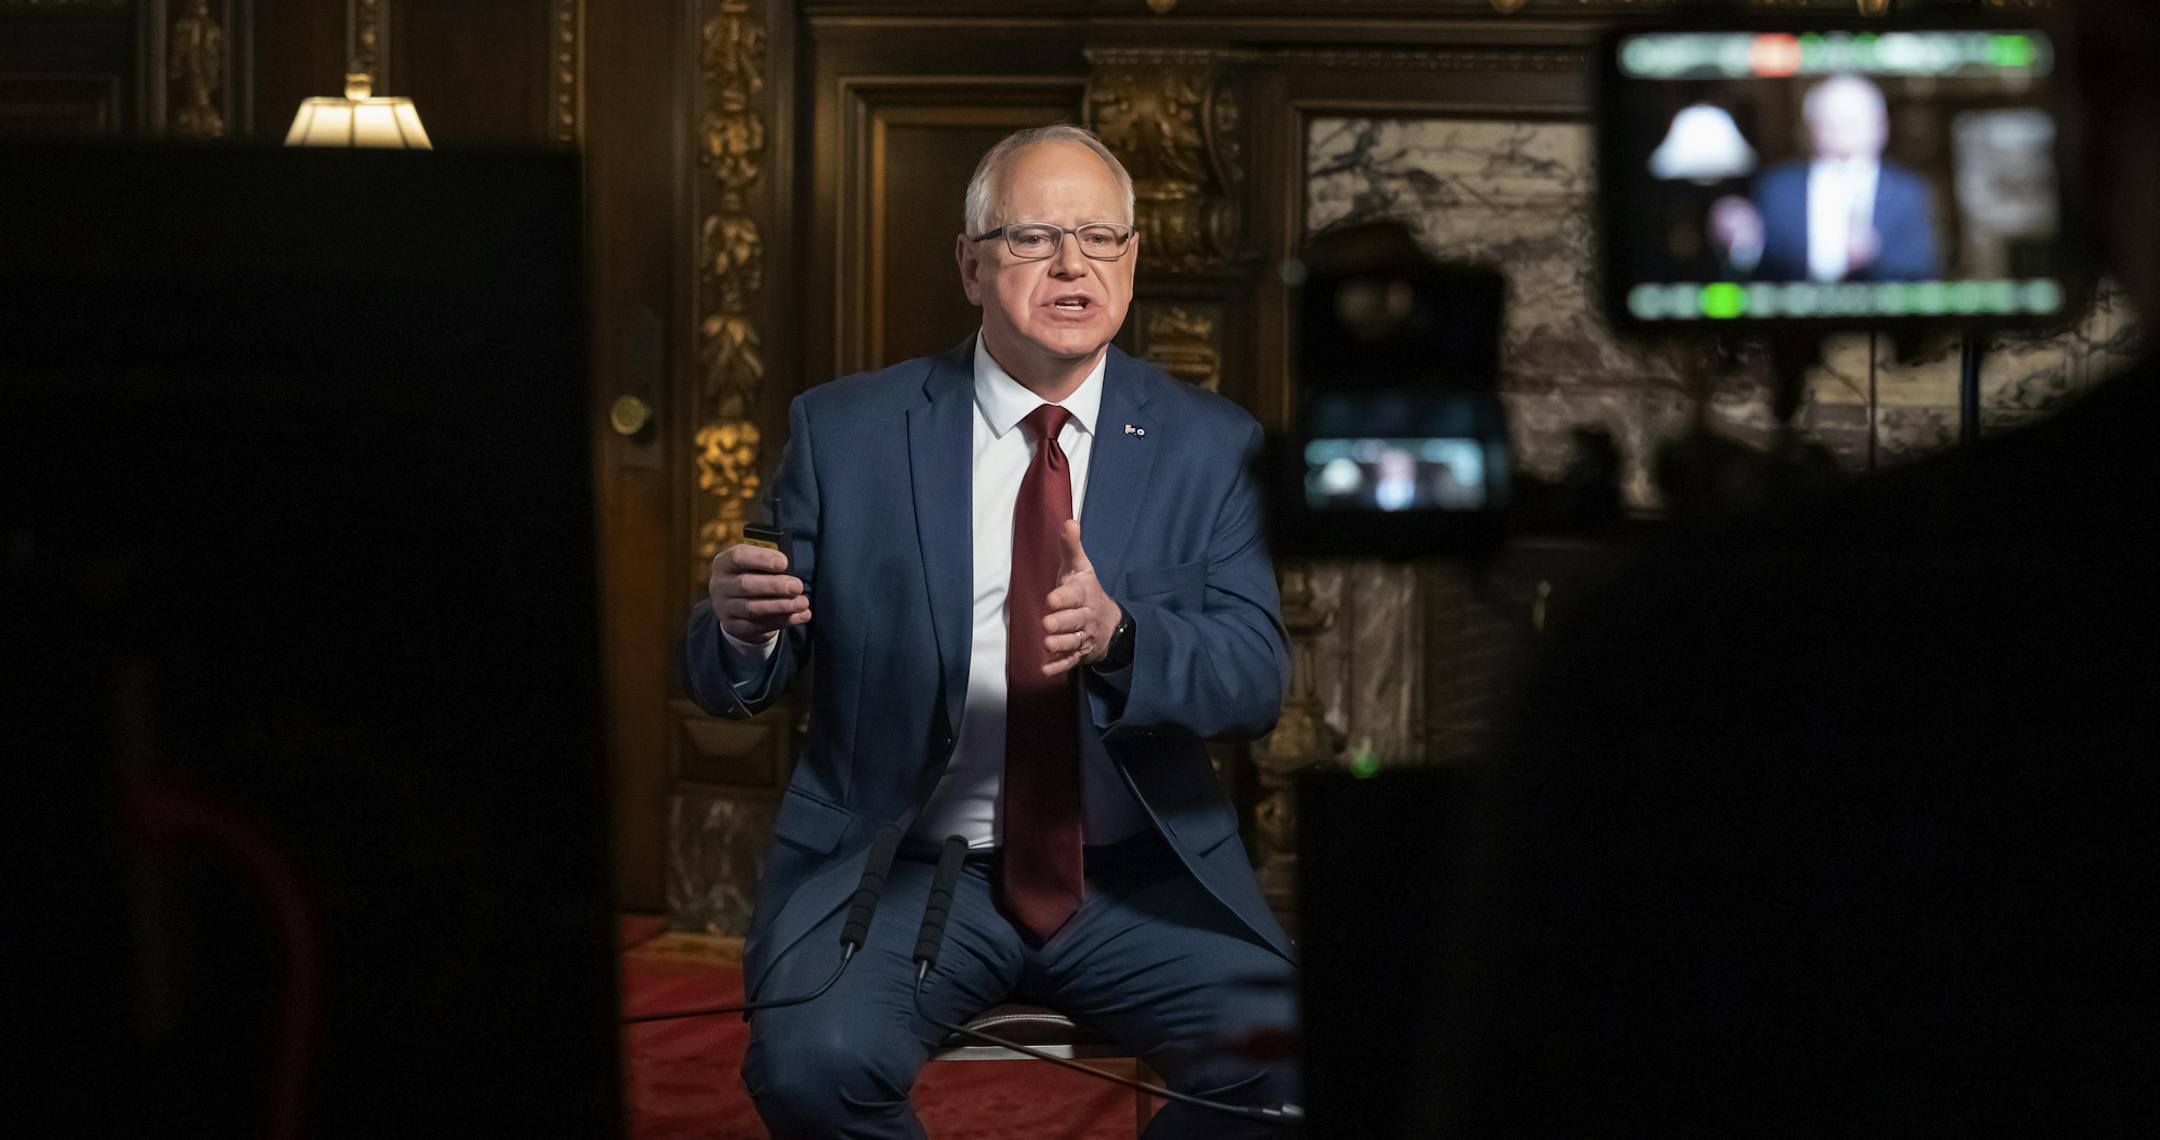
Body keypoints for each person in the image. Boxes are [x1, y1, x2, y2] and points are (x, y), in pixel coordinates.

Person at [1442, 4, 2158, 1132]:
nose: (1836, 132)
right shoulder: (1767, 206)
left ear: (2094, 102)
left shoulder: (1708, 654)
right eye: (1820, 116)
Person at [681, 124, 1297, 1139]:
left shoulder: (1210, 445)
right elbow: (737, 669)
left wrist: (1121, 636)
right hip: (908, 862)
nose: (1073, 264)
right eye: (1034, 237)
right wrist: (741, 630)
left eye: (1101, 237)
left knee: (1287, 1058)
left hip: (1136, 874)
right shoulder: (847, 434)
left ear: (1133, 262)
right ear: (971, 264)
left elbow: (1256, 675)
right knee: (812, 1064)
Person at [1711, 74, 1940, 283]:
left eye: (1853, 122)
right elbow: (1757, 272)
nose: (1843, 133)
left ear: (1881, 127)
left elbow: (1922, 274)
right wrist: (1742, 244)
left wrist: (1872, 258)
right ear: (1811, 128)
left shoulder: (1908, 191)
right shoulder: (1776, 188)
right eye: (1831, 121)